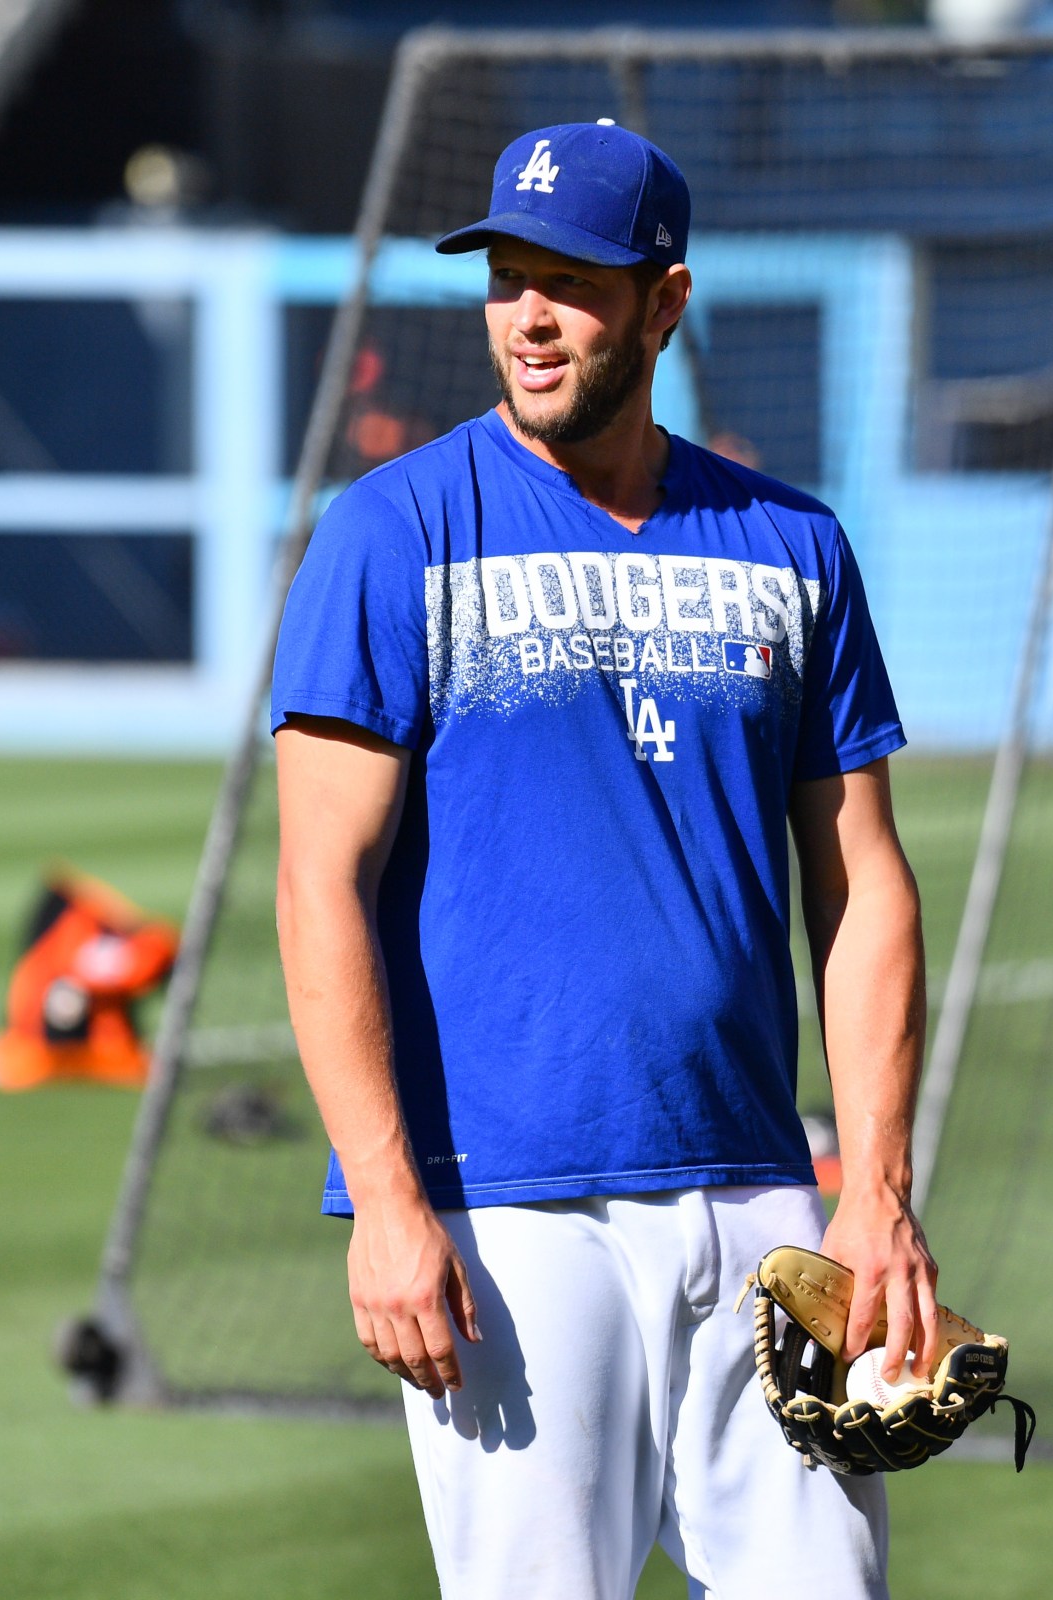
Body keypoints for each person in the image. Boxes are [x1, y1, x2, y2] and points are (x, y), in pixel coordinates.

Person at [271, 120, 932, 1599]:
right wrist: (386, 1203)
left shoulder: (793, 544)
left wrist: (875, 1183)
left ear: (666, 300)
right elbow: (320, 884)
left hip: (763, 1191)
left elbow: (865, 881)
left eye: (571, 283)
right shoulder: (394, 534)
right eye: (509, 279)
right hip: (502, 1198)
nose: (530, 318)